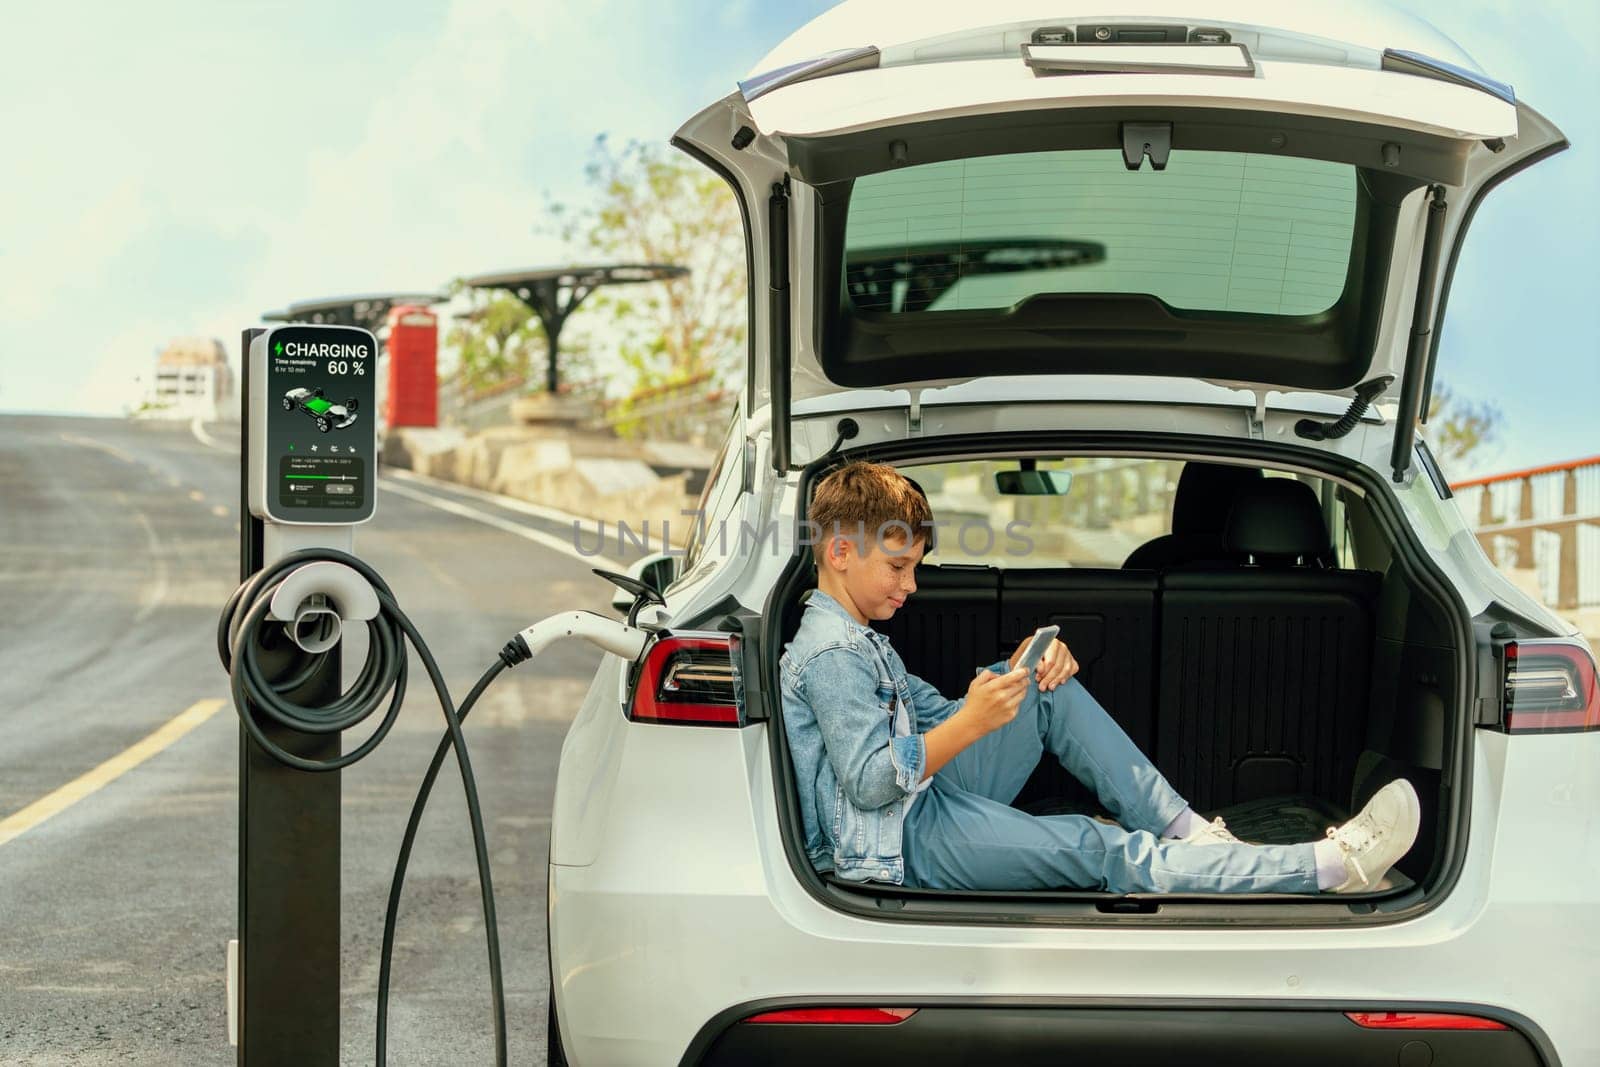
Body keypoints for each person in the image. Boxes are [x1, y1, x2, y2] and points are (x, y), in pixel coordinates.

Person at [779, 460, 1421, 894]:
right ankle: (1323, 866)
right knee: (1098, 846)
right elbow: (868, 784)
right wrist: (973, 718)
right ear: (839, 552)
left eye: (915, 567)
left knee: (1043, 687)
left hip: (921, 804)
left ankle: (1188, 831)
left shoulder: (860, 640)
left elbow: (940, 713)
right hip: (899, 842)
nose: (911, 585)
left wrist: (1015, 673)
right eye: (897, 567)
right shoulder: (832, 654)